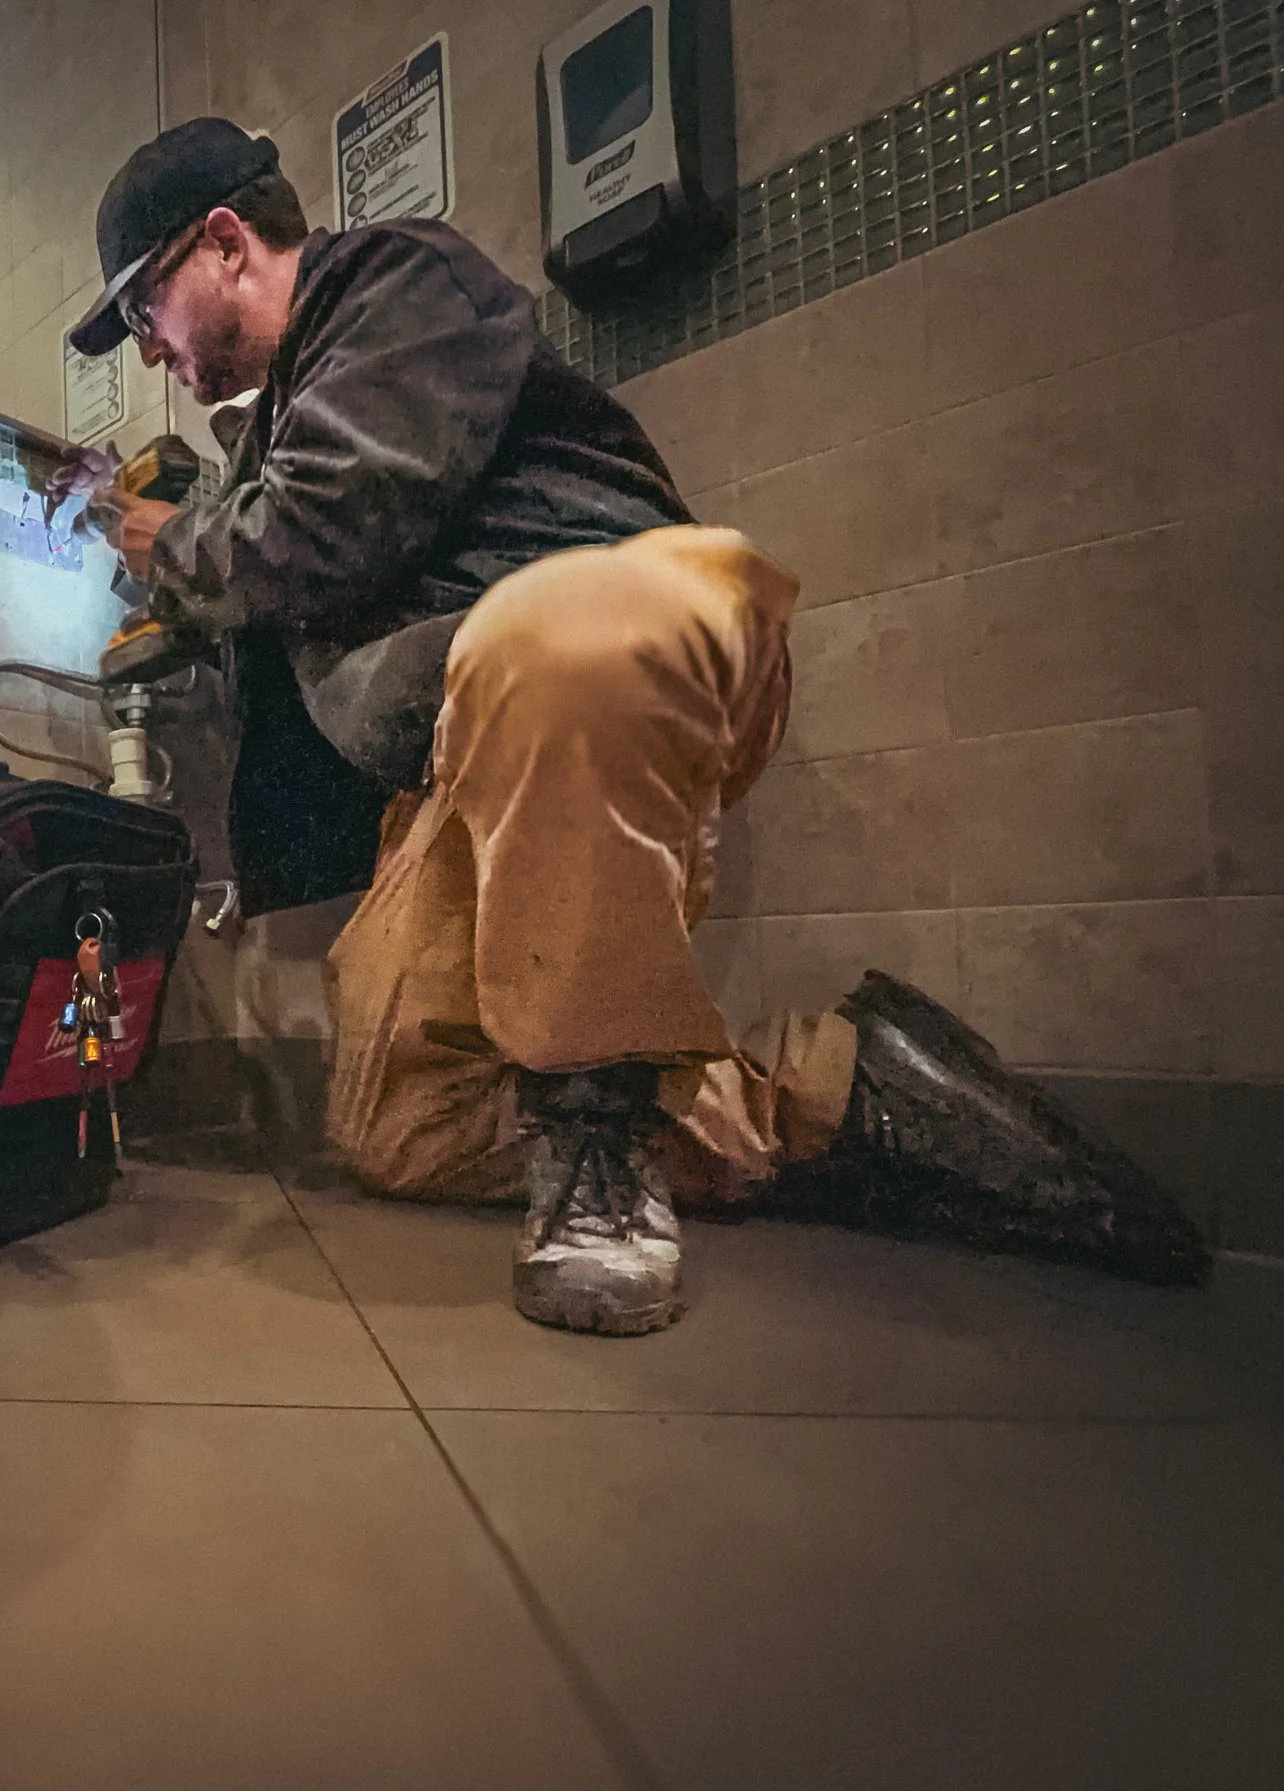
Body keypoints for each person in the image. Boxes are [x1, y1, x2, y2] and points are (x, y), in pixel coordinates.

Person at [72, 119, 1204, 1334]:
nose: (149, 350)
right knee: (400, 1125)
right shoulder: (292, 404)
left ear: (229, 244)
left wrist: (167, 544)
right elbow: (280, 546)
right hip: (486, 745)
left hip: (627, 634)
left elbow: (319, 533)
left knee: (541, 633)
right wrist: (175, 539)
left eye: (146, 309)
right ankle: (853, 1096)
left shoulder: (395, 279)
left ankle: (598, 1151)